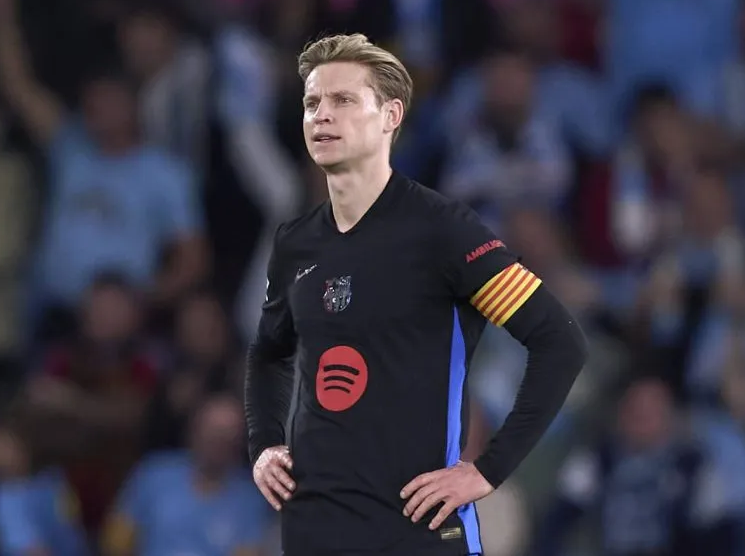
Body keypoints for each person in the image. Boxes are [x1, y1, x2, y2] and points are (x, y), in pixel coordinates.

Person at [244, 33, 587, 556]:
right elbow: (269, 353)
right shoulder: (295, 242)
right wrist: (265, 445)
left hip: (417, 530)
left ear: (390, 116)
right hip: (316, 526)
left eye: (343, 100)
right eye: (312, 102)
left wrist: (488, 470)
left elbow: (559, 341)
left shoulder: (444, 231)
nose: (322, 115)